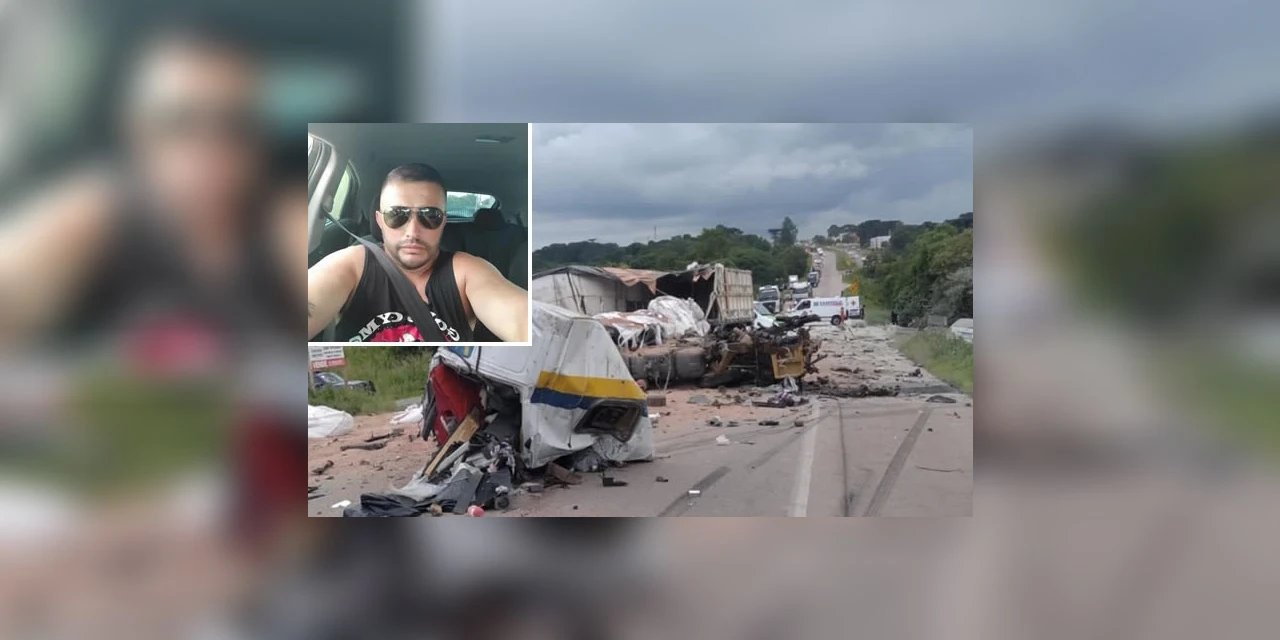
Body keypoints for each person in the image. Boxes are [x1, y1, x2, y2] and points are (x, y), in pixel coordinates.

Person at [306, 163, 530, 343]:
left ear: (443, 222)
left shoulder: (466, 272)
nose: (413, 231)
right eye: (397, 215)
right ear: (380, 221)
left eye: (429, 215)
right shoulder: (350, 265)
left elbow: (522, 319)